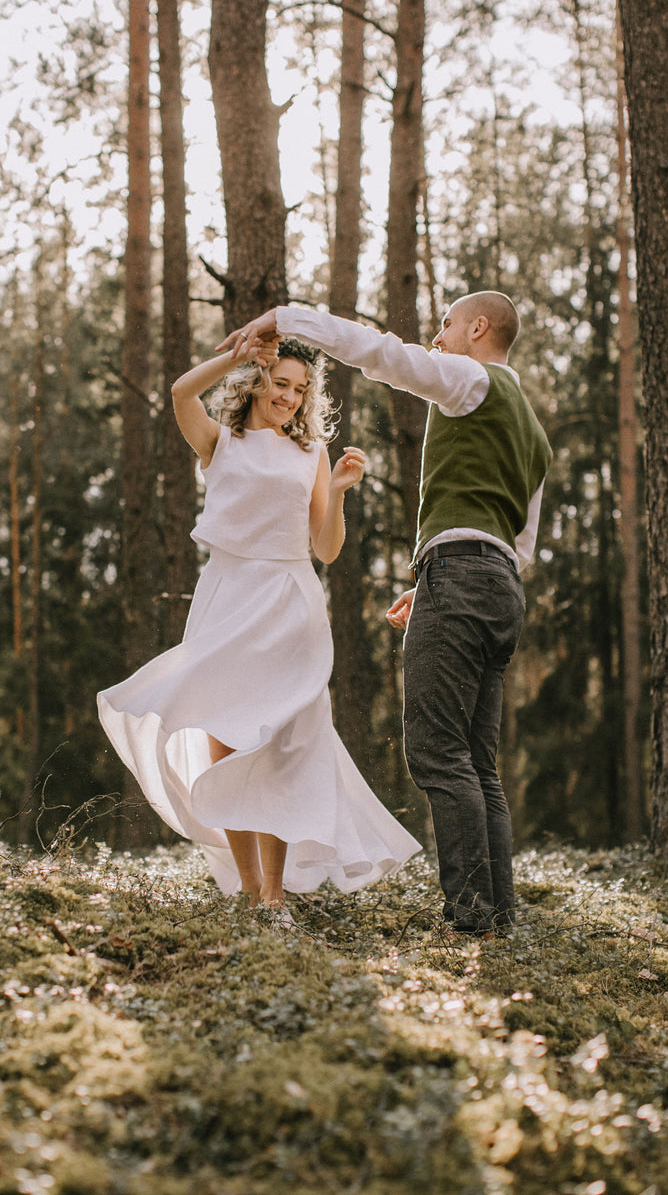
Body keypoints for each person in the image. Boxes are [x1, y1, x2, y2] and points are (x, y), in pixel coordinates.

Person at [219, 295, 552, 934]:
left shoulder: (470, 380)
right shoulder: (533, 431)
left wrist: (286, 320)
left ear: (478, 329)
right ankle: (499, 916)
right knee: (479, 762)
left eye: (447, 325)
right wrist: (437, 581)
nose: (437, 337)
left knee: (438, 753)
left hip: (459, 577)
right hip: (497, 585)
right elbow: (522, 544)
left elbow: (381, 354)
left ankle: (472, 919)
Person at [97, 335, 421, 916]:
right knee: (229, 740)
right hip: (229, 597)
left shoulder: (312, 455)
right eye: (281, 383)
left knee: (284, 745)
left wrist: (340, 494)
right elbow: (180, 392)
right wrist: (239, 355)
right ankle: (248, 888)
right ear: (255, 382)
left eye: (301, 390)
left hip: (290, 602)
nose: (291, 398)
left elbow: (325, 549)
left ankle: (276, 892)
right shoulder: (221, 443)